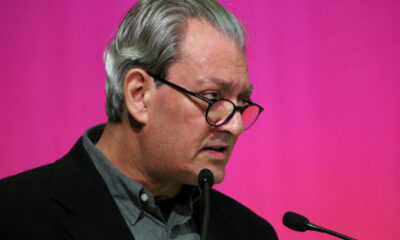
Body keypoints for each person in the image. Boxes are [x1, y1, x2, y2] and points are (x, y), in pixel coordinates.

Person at [0, 0, 278, 239]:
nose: (236, 125)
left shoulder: (251, 232)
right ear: (139, 95)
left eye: (241, 102)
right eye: (212, 97)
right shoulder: (14, 216)